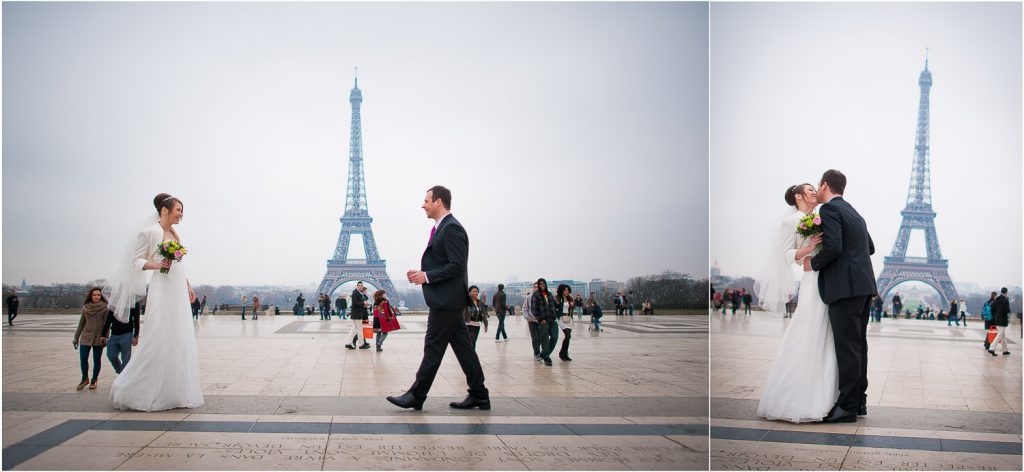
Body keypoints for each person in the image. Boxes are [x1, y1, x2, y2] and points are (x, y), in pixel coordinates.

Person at [387, 185, 489, 411]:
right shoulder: (443, 228)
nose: (423, 205)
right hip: (449, 300)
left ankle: (416, 394)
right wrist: (424, 275)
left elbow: (457, 265)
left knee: (433, 348)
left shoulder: (451, 229)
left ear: (439, 202)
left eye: (426, 200)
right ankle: (479, 393)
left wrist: (427, 276)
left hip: (447, 302)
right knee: (464, 349)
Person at [108, 193, 203, 411]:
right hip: (163, 288)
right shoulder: (150, 232)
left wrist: (187, 286)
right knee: (159, 336)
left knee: (177, 337)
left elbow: (178, 264)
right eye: (179, 209)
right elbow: (137, 261)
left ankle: (173, 390)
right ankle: (134, 387)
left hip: (177, 288)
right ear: (164, 210)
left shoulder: (173, 234)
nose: (181, 214)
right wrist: (158, 266)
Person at [757, 183, 837, 423]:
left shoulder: (821, 217)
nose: (815, 192)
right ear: (798, 196)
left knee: (824, 336)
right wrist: (810, 248)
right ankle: (802, 398)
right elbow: (785, 255)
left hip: (826, 276)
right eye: (809, 189)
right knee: (809, 332)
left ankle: (821, 397)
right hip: (812, 278)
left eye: (816, 188)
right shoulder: (791, 221)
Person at [807, 170, 876, 423]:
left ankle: (846, 406)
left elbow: (834, 247)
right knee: (859, 346)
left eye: (818, 184)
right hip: (864, 286)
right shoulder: (854, 212)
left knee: (847, 349)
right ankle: (859, 401)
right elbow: (870, 248)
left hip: (845, 288)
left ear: (825, 185)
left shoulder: (830, 211)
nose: (817, 188)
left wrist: (814, 263)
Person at [74, 287, 109, 390]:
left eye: (98, 295)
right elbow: (81, 323)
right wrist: (76, 337)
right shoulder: (86, 307)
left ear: (101, 296)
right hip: (86, 336)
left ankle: (94, 380)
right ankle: (85, 378)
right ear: (91, 296)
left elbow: (107, 324)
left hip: (99, 337)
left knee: (96, 359)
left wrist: (106, 337)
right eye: (94, 295)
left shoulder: (105, 308)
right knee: (83, 358)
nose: (96, 297)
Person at [102, 300, 141, 374]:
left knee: (126, 359)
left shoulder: (134, 300)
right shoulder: (115, 300)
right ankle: (121, 373)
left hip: (127, 333)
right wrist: (103, 334)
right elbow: (108, 319)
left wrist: (136, 335)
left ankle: (123, 378)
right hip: (114, 334)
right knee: (111, 355)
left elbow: (136, 319)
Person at [531, 278, 559, 366]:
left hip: (552, 320)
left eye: (543, 284)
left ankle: (544, 353)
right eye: (540, 284)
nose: (542, 285)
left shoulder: (549, 294)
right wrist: (540, 319)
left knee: (554, 337)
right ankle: (547, 358)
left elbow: (553, 306)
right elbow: (534, 309)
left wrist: (555, 315)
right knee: (545, 340)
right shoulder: (536, 295)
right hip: (543, 321)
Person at [345, 282, 371, 349]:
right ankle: (361, 344)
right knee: (360, 329)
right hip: (357, 314)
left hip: (357, 313)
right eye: (359, 285)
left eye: (361, 285)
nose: (360, 286)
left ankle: (348, 343)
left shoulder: (359, 293)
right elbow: (355, 304)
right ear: (356, 286)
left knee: (354, 329)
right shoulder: (355, 293)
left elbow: (359, 302)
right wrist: (363, 303)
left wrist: (364, 303)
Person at [988, 288, 1011, 356]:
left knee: (1002, 335)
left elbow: (992, 308)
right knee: (1000, 334)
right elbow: (1007, 310)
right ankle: (991, 349)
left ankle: (1005, 350)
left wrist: (995, 315)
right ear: (1006, 292)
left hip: (997, 318)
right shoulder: (1005, 299)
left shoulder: (997, 298)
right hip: (1003, 319)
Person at [555, 284, 574, 362]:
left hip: (568, 318)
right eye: (565, 290)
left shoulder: (570, 298)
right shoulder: (558, 298)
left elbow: (572, 308)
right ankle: (562, 353)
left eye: (567, 290)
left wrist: (572, 305)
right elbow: (554, 307)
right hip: (561, 318)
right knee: (567, 334)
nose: (566, 291)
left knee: (568, 337)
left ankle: (565, 353)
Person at [523, 282, 541, 360]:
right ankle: (536, 353)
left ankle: (540, 352)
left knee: (540, 337)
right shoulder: (529, 297)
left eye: (537, 287)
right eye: (535, 287)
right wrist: (528, 318)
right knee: (535, 337)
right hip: (532, 320)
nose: (536, 288)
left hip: (541, 320)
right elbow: (525, 308)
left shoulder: (544, 297)